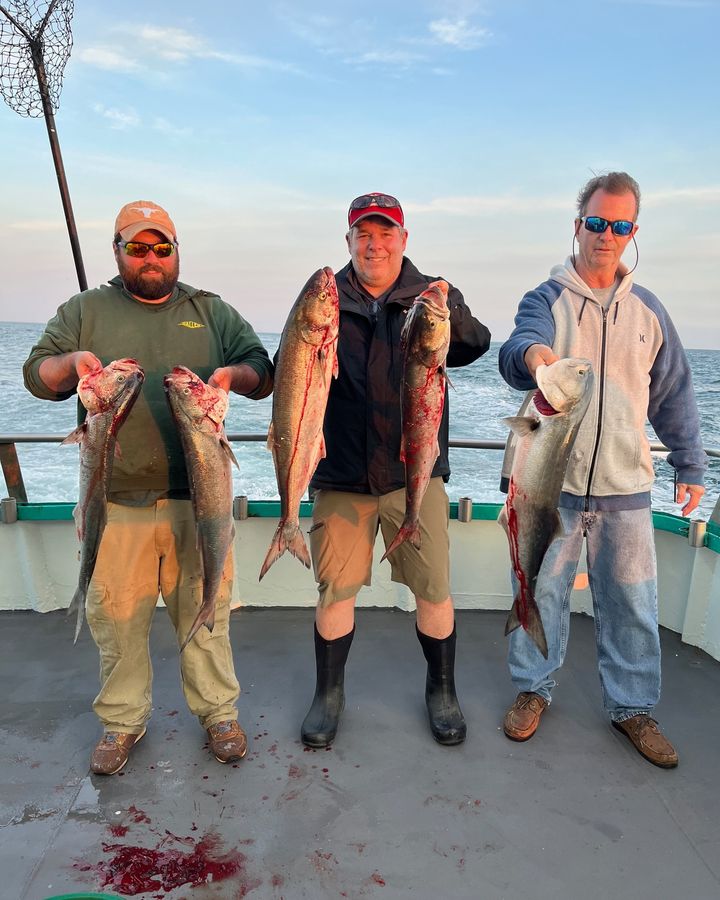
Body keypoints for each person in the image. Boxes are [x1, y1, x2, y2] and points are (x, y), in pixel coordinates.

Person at [23, 201, 273, 775]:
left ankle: (219, 712)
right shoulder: (84, 309)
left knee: (206, 611)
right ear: (118, 252)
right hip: (114, 502)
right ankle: (121, 721)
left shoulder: (209, 311)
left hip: (198, 502)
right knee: (119, 620)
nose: (152, 257)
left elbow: (261, 368)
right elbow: (37, 376)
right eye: (138, 248)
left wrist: (233, 377)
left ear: (177, 251)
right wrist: (72, 366)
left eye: (162, 247)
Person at [498, 172, 706, 768]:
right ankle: (532, 689)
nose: (605, 235)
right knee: (538, 589)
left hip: (626, 488)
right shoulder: (545, 299)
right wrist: (537, 359)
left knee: (633, 604)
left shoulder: (649, 311)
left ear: (632, 232)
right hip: (550, 490)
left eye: (619, 225)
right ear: (578, 225)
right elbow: (518, 350)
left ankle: (633, 707)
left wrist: (690, 464)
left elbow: (673, 396)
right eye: (596, 222)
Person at [301, 192, 491, 749]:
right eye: (364, 232)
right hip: (341, 476)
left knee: (433, 587)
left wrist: (447, 309)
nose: (374, 243)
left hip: (416, 474)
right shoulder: (324, 300)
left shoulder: (429, 296)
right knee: (335, 589)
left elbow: (475, 344)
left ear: (403, 240)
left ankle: (442, 690)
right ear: (349, 240)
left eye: (385, 233)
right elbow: (293, 370)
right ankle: (328, 696)